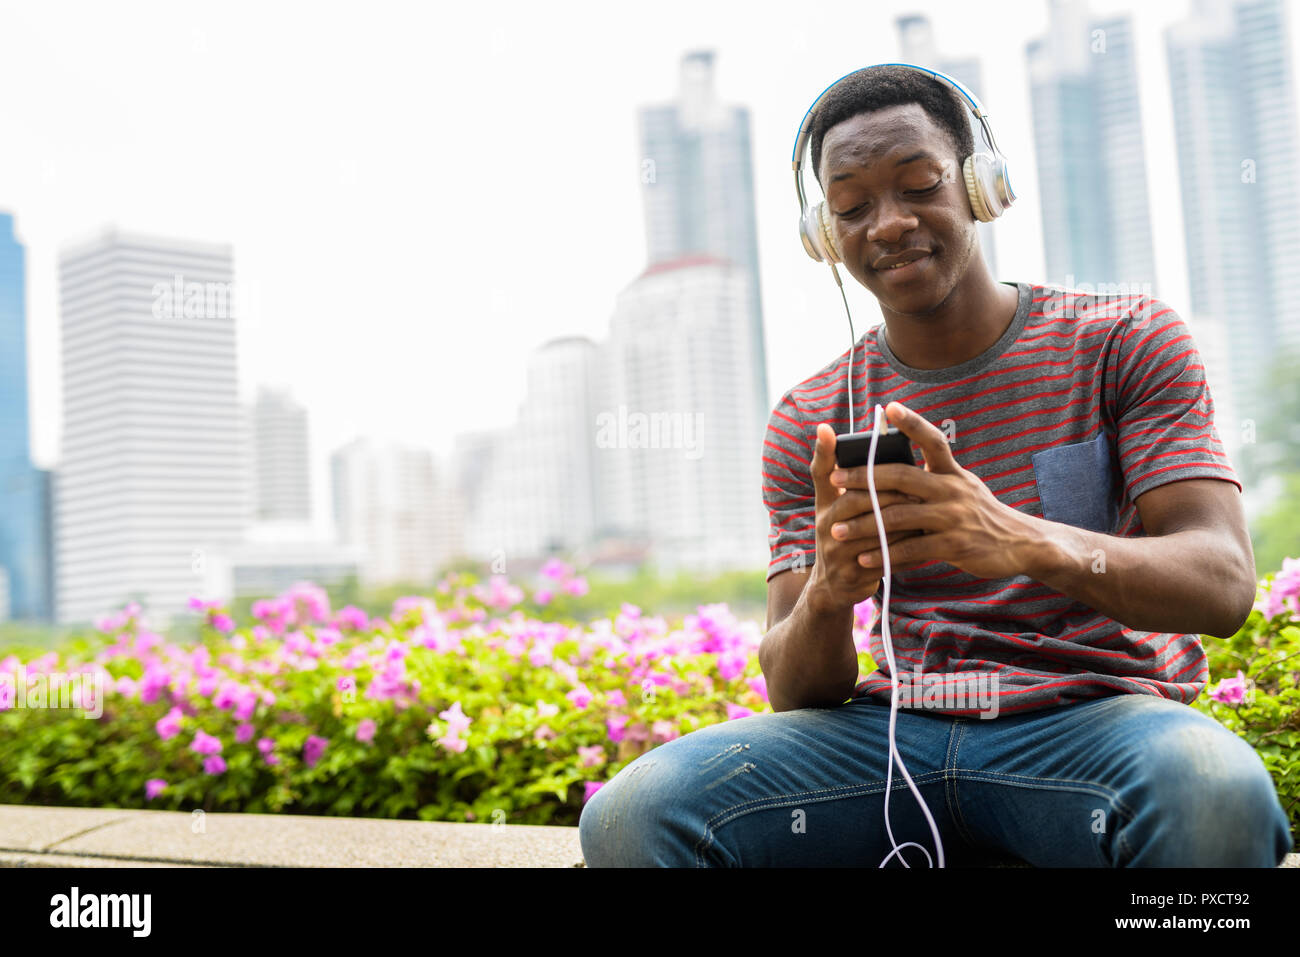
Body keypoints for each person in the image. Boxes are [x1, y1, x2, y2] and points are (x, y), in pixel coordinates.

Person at [578, 64, 1293, 867]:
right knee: (633, 815)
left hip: (1093, 724)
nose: (887, 223)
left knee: (1214, 792)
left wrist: (1016, 538)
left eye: (920, 184)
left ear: (982, 187)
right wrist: (829, 592)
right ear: (824, 234)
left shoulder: (1122, 341)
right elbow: (792, 687)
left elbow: (1224, 583)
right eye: (851, 205)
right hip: (890, 740)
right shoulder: (808, 419)